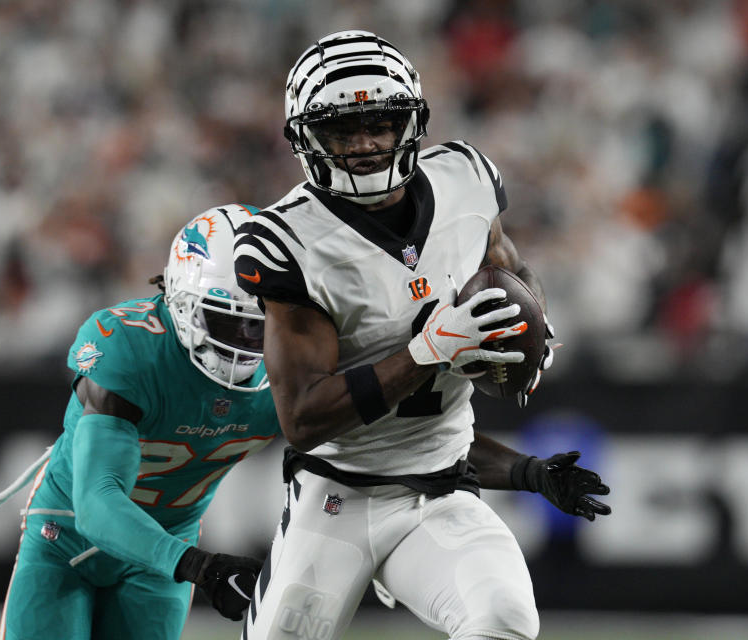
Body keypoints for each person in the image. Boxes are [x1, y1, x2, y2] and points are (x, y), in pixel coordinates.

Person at [232, 31, 610, 640]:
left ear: (411, 125)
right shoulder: (291, 242)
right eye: (341, 131)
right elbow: (302, 418)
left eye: (379, 124)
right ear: (306, 138)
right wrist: (428, 351)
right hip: (335, 500)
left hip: (441, 493)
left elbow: (504, 266)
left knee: (505, 619)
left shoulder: (465, 181)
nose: (363, 145)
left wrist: (529, 314)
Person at [0, 204, 280, 640]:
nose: (245, 342)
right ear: (181, 297)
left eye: (260, 324)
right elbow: (97, 504)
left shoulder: (290, 370)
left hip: (162, 547)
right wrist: (198, 566)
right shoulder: (130, 346)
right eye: (226, 321)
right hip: (67, 538)